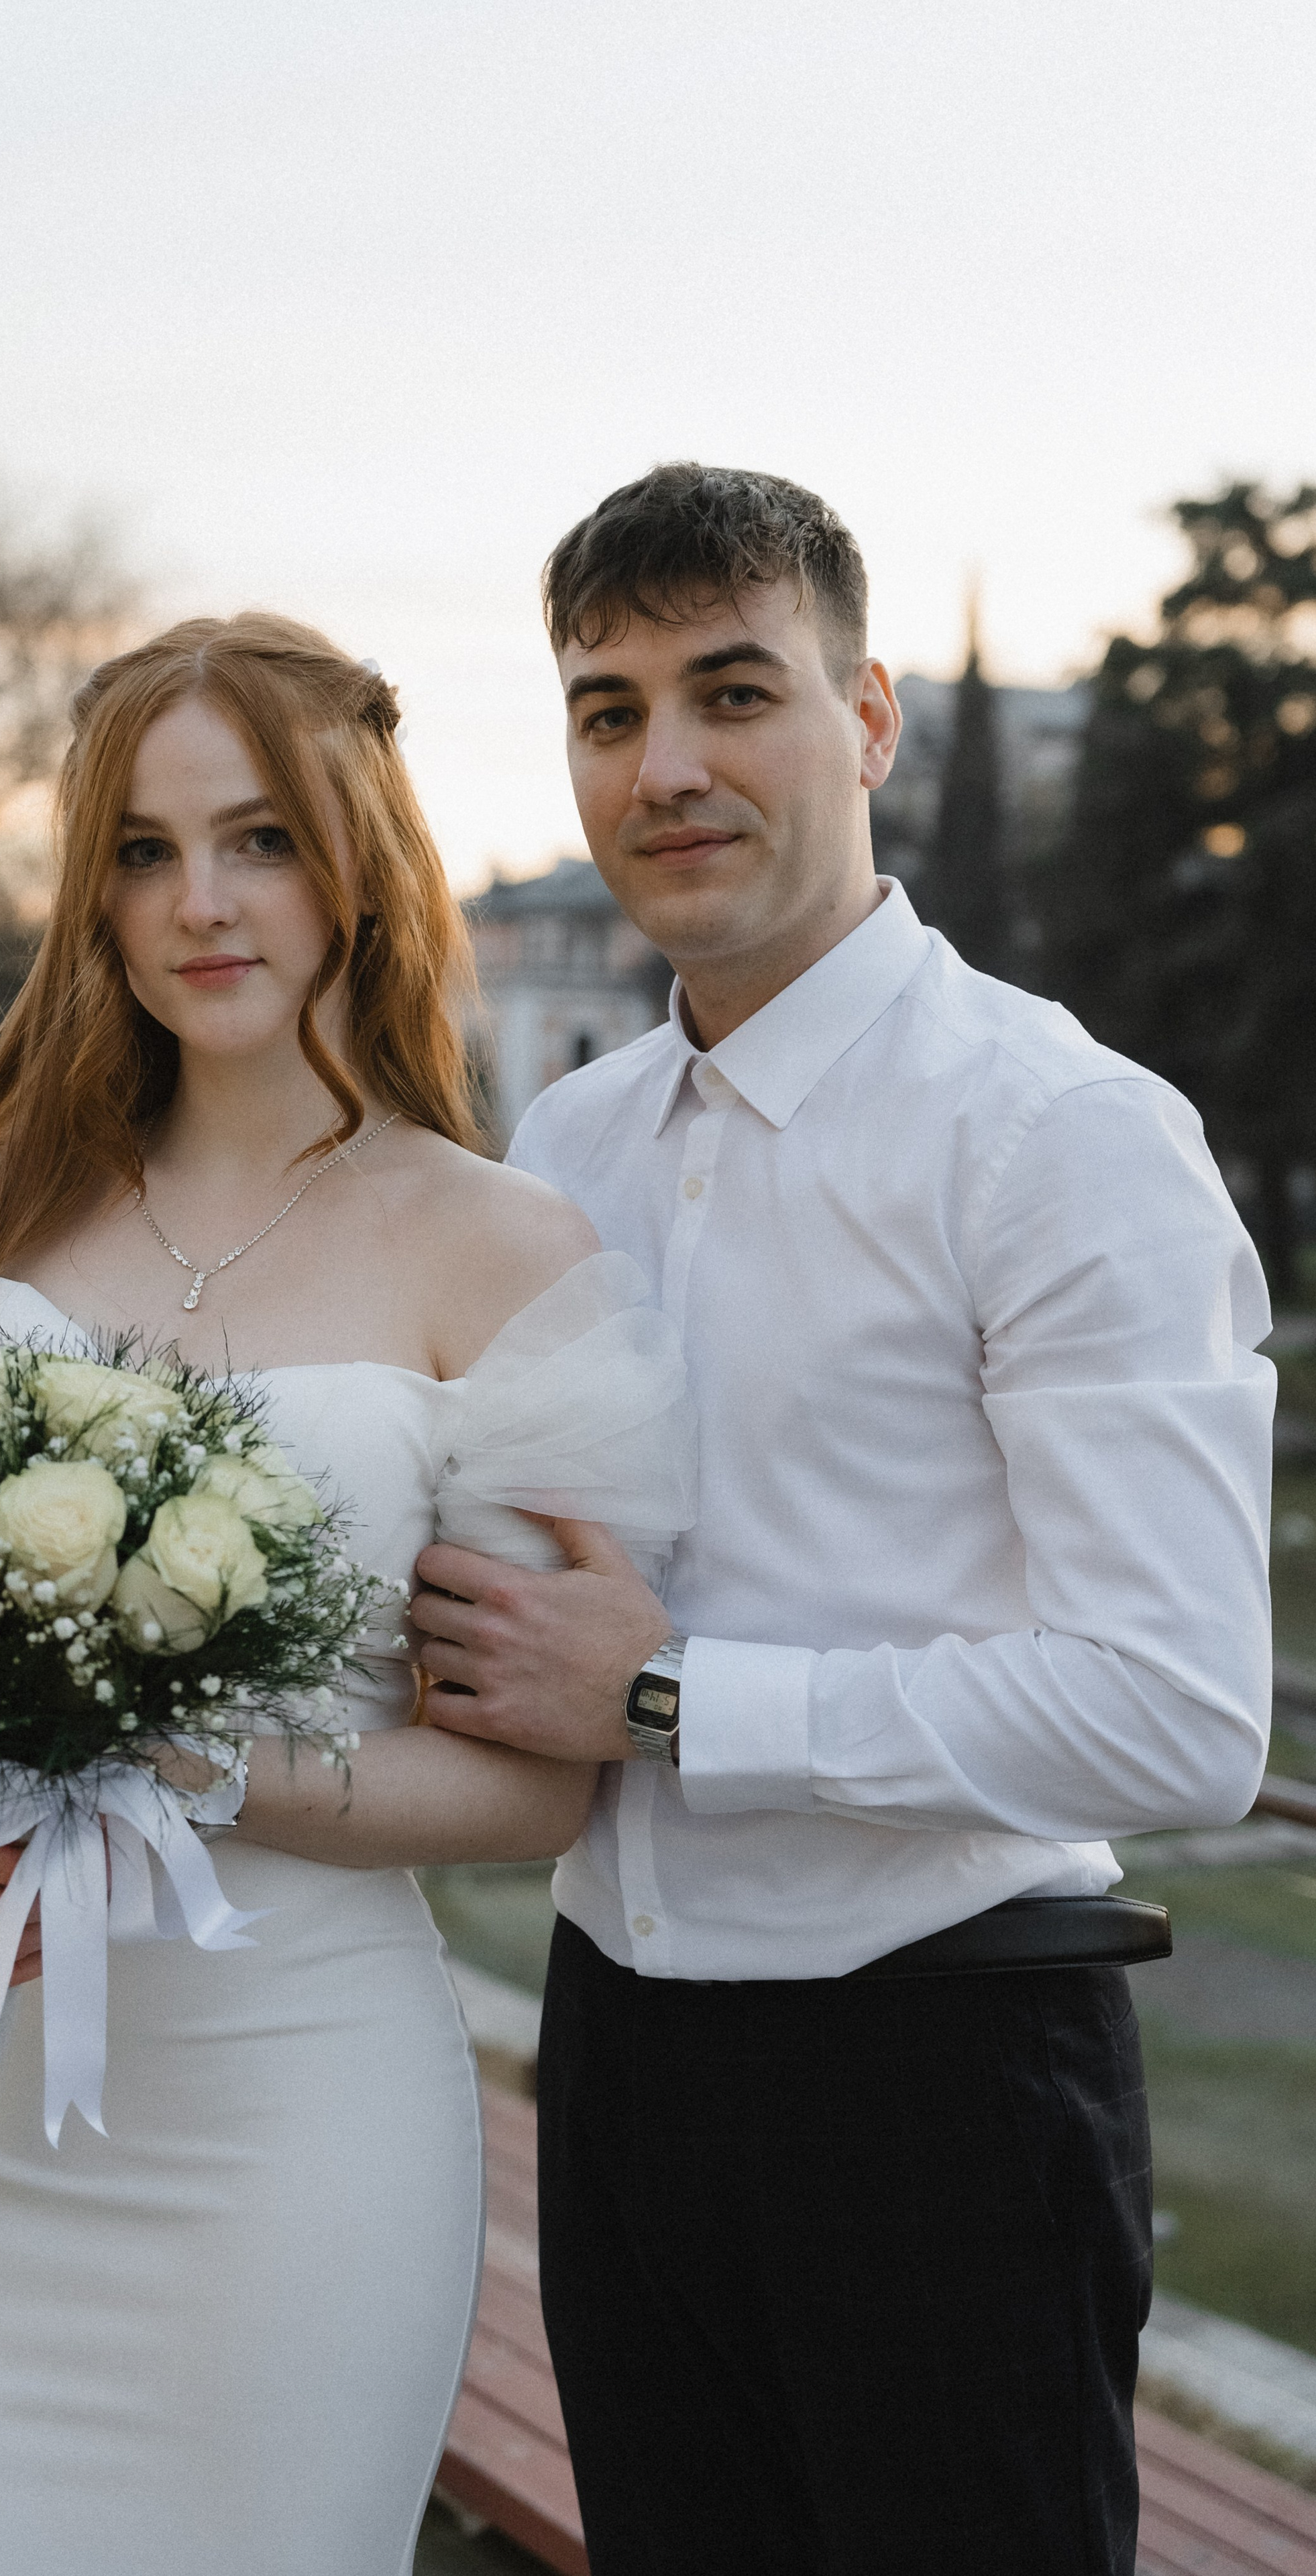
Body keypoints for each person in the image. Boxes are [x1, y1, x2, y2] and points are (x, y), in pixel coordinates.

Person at [0, 610, 694, 2576]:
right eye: (147, 848)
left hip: (296, 2143)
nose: (205, 903)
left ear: (359, 857)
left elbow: (537, 1791)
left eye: (260, 839)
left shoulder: (499, 1249)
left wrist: (180, 1770)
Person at [408, 464, 1275, 2576]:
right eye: (608, 713)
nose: (667, 765)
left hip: (942, 2090)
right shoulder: (567, 1140)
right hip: (622, 2071)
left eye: (733, 693)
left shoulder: (1061, 1136)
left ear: (870, 718)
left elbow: (1178, 1717)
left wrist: (681, 1698)